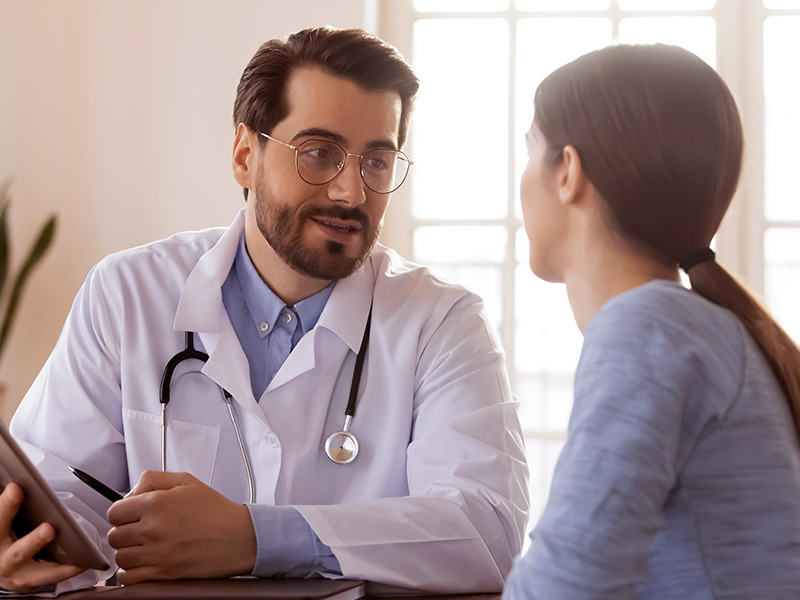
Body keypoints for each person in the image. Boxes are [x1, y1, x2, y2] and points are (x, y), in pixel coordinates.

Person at [1, 26, 529, 595]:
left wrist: (254, 537)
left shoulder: (442, 322)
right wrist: (20, 542)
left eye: (377, 161)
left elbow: (485, 528)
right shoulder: (126, 293)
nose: (351, 192)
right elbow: (55, 494)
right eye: (319, 154)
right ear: (245, 155)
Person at [504, 43, 800, 599]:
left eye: (530, 151)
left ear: (567, 171)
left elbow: (569, 583)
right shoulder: (686, 325)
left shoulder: (647, 328)